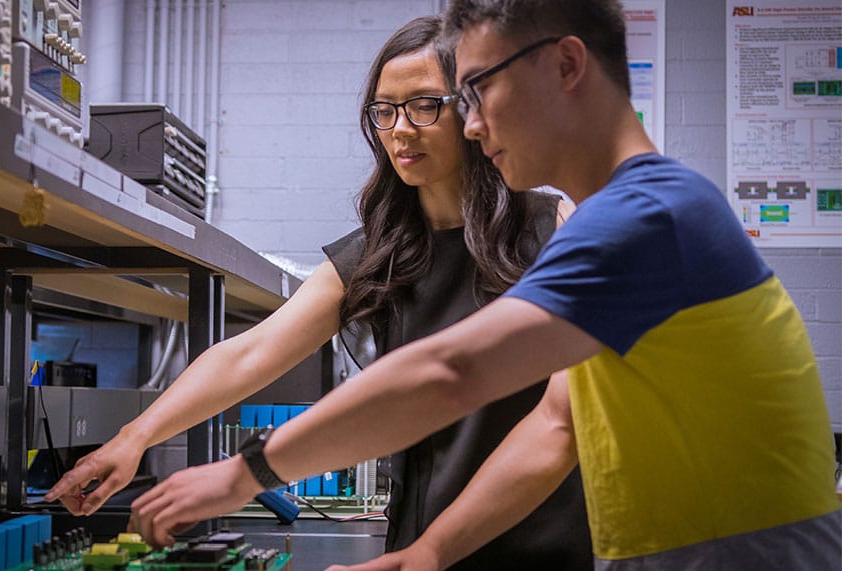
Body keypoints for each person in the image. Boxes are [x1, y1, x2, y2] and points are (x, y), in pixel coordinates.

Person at [126, 1, 842, 569]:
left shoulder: (646, 215)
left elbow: (451, 371)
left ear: (565, 64)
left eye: (477, 89)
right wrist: (429, 553)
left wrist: (241, 473)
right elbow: (558, 422)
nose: (470, 124)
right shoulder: (614, 219)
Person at [47, 15, 591, 569]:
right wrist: (133, 437)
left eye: (425, 105)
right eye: (384, 110)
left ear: (470, 108)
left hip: (539, 539)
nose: (401, 129)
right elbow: (252, 352)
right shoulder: (379, 252)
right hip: (418, 547)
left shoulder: (553, 230)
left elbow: (554, 420)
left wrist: (245, 474)